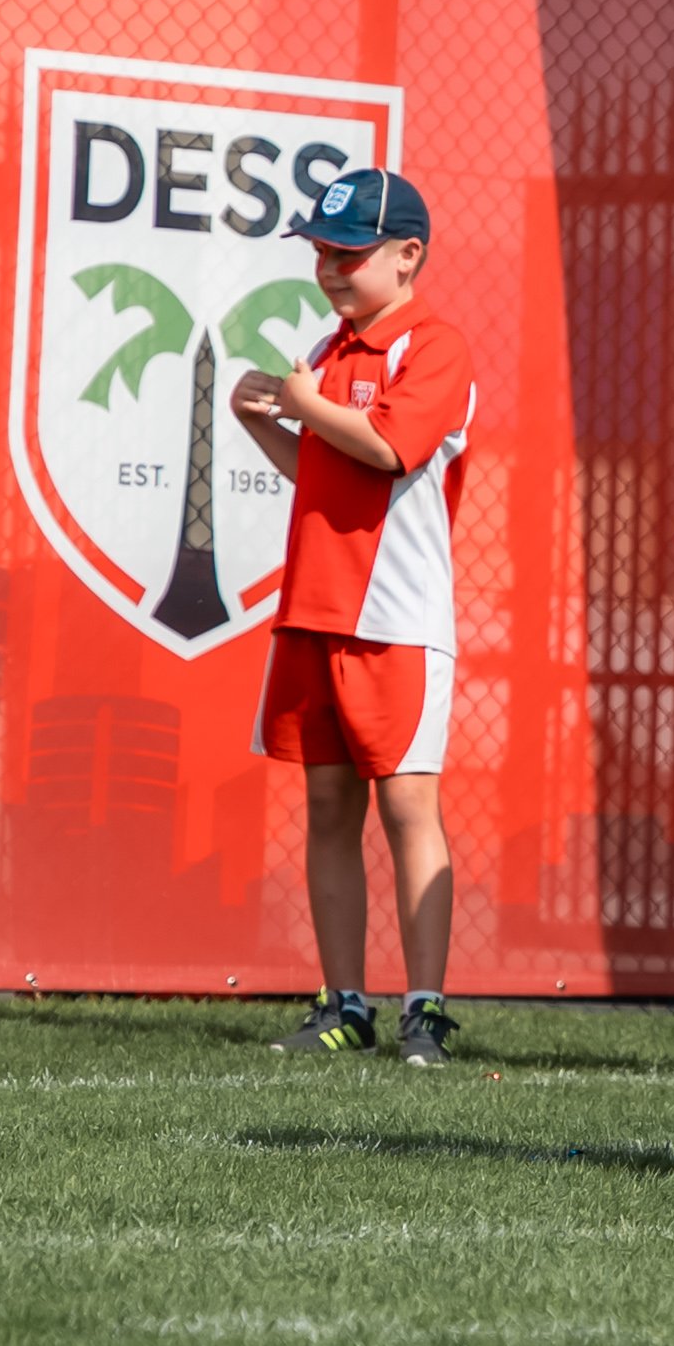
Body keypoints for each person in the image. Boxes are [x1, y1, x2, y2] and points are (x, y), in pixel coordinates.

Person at [230, 168, 475, 1067]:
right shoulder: (328, 353)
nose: (330, 268)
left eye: (349, 252)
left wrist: (305, 405)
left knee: (409, 808)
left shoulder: (434, 346)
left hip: (397, 618)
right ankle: (343, 1003)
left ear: (408, 256)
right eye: (321, 252)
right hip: (314, 610)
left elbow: (387, 448)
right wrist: (263, 421)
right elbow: (323, 472)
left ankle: (425, 1008)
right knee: (327, 806)